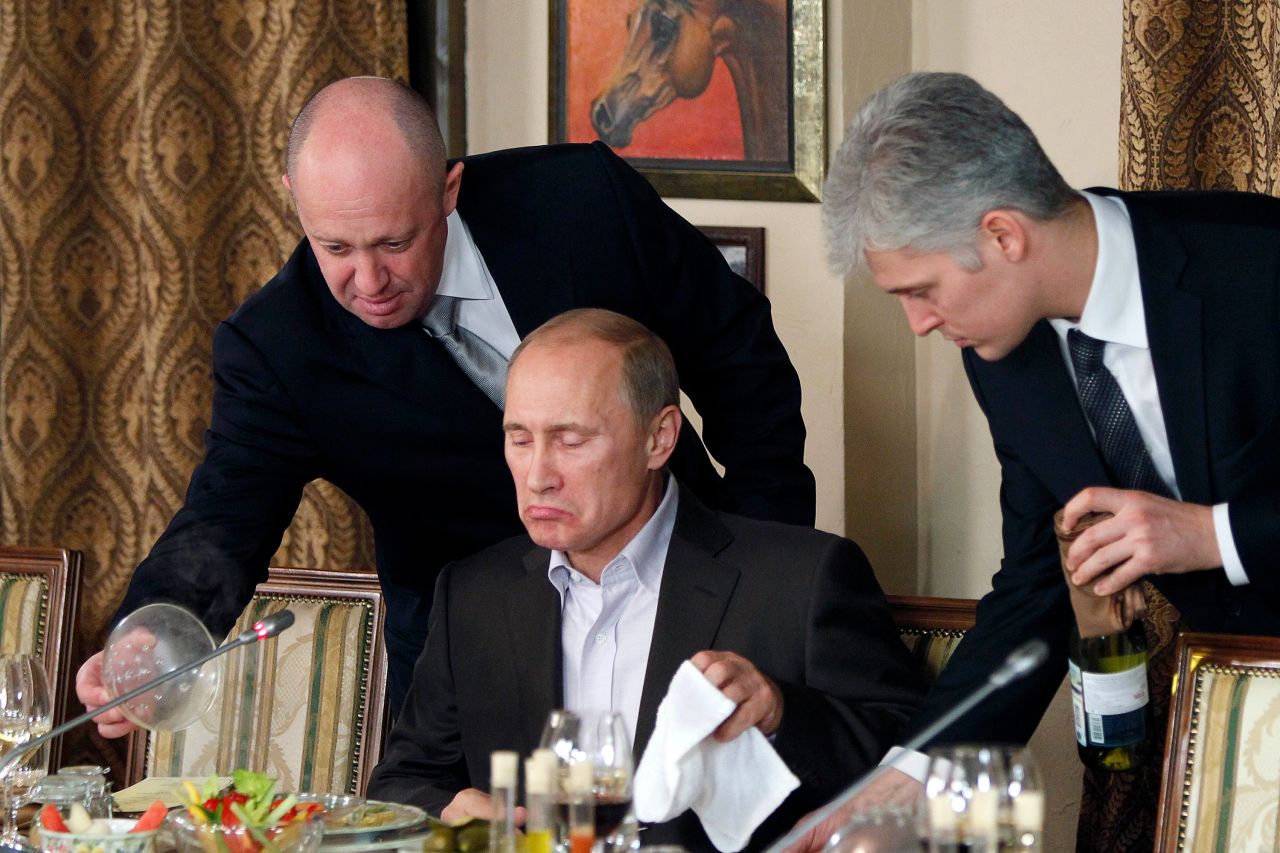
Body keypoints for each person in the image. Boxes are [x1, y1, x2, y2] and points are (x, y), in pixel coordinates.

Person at [76, 76, 817, 733]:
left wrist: (762, 568)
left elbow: (741, 359)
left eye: (395, 242)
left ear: (449, 191)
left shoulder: (582, 202)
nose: (368, 280)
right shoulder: (277, 347)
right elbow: (221, 522)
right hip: (471, 671)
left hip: (685, 603)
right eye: (334, 247)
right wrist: (150, 635)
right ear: (292, 197)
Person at [797, 70, 1280, 844]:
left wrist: (1212, 535)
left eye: (920, 290)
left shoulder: (1259, 265)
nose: (917, 323)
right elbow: (1032, 589)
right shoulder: (1001, 347)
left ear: (1002, 235)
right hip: (1231, 737)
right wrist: (908, 774)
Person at [367, 309, 924, 853]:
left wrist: (781, 711)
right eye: (520, 438)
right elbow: (402, 782)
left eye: (570, 440)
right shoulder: (474, 593)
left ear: (659, 438)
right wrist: (449, 809)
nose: (538, 476)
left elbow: (911, 754)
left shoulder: (801, 578)